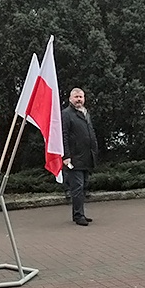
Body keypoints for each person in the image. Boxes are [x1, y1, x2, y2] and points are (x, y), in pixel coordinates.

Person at [61, 88, 98, 226]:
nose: (79, 99)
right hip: (74, 158)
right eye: (76, 97)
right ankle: (78, 216)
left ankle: (79, 213)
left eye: (81, 97)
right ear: (70, 98)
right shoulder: (66, 114)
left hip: (87, 157)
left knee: (83, 187)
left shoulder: (86, 113)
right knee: (77, 187)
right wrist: (66, 156)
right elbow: (63, 135)